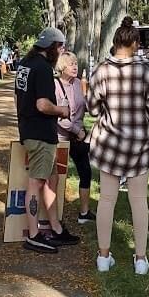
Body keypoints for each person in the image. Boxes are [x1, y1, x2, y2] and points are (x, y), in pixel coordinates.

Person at [88, 17, 149, 275]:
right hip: (139, 143)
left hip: (109, 142)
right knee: (139, 201)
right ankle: (141, 259)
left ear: (115, 42)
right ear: (135, 43)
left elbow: (92, 107)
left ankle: (103, 256)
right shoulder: (145, 71)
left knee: (106, 200)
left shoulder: (101, 70)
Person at [15, 28, 81, 253]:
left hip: (32, 130)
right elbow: (42, 105)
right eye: (60, 46)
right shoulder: (42, 69)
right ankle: (34, 235)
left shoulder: (25, 65)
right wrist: (61, 111)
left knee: (51, 178)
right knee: (37, 182)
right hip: (40, 133)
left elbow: (19, 98)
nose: (62, 51)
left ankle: (56, 228)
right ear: (52, 46)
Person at [55, 52, 95, 224]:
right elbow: (57, 116)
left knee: (85, 172)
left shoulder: (79, 83)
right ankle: (54, 213)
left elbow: (85, 106)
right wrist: (75, 129)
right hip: (60, 136)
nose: (75, 67)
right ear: (62, 66)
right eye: (71, 64)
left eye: (76, 63)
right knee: (57, 175)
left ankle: (84, 213)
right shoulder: (54, 85)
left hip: (79, 137)